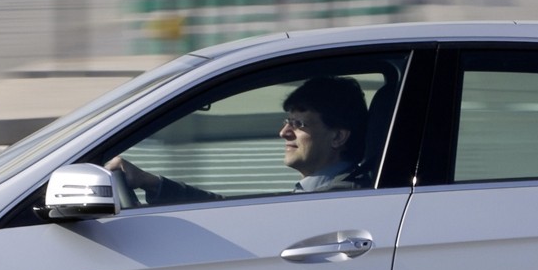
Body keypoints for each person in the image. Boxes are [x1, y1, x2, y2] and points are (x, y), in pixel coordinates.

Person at [107, 75, 371, 205]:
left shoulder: (339, 199)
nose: (284, 133)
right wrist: (150, 183)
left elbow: (253, 221)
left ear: (337, 136)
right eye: (286, 122)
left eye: (299, 124)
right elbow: (232, 211)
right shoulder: (323, 192)